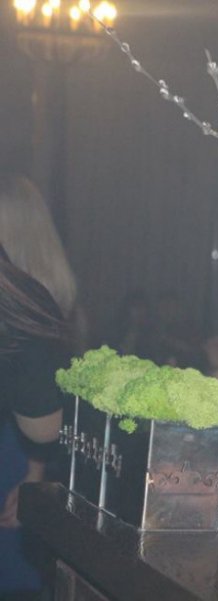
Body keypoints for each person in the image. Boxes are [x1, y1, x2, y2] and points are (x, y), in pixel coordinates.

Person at [0, 174, 75, 598]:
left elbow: (43, 396)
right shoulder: (32, 292)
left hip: (18, 442)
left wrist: (33, 474)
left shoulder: (23, 297)